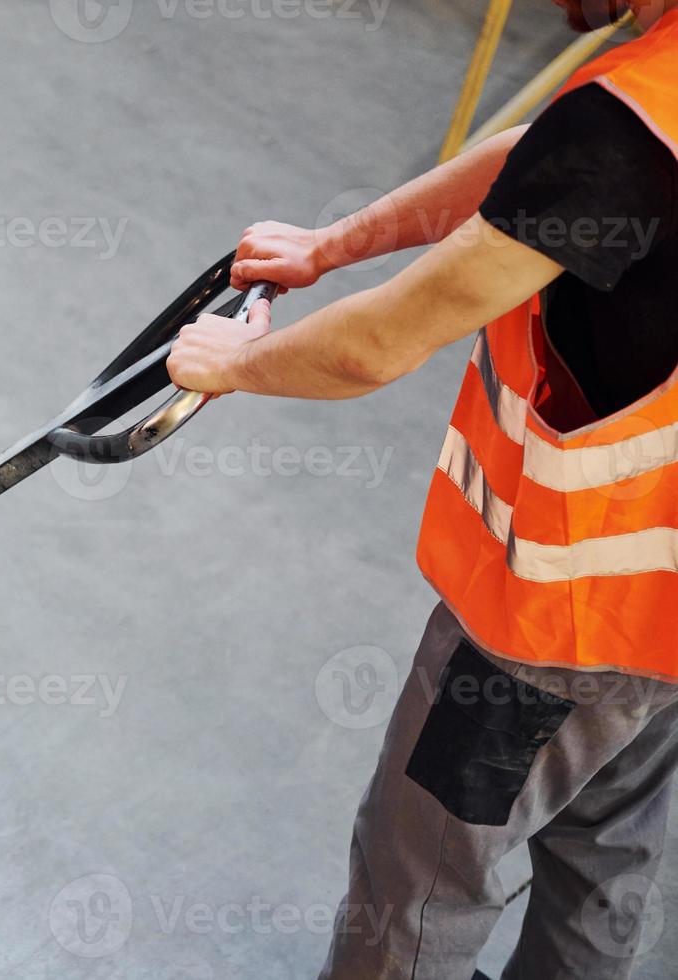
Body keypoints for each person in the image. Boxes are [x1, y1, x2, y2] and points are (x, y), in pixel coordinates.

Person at [165, 1, 678, 977]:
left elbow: (376, 345)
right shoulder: (646, 100)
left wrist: (234, 362)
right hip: (661, 625)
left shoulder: (624, 130)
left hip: (549, 629)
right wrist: (334, 244)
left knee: (418, 882)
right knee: (603, 857)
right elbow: (543, 165)